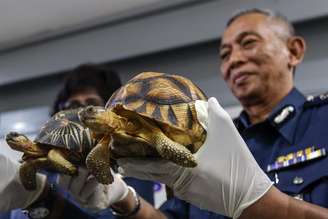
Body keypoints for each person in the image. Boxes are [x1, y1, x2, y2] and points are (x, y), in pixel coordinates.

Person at [59, 9, 328, 219]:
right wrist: (124, 198)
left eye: (248, 43)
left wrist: (264, 205)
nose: (233, 59)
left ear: (294, 51)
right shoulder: (211, 138)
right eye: (224, 54)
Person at [0, 63, 155, 219]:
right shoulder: (40, 169)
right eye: (73, 105)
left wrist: (125, 198)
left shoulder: (134, 170)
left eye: (91, 105)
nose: (80, 113)